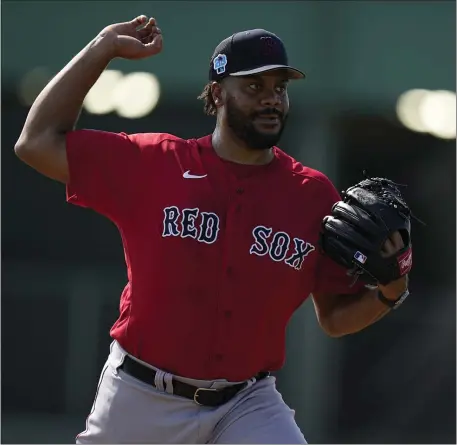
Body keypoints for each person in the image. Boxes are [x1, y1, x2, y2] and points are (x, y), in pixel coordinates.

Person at [15, 15, 410, 445]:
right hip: (142, 396)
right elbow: (36, 143)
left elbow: (334, 318)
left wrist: (391, 287)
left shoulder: (312, 195)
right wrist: (101, 49)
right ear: (218, 94)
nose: (271, 100)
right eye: (254, 87)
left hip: (245, 403)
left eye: (279, 88)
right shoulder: (156, 163)